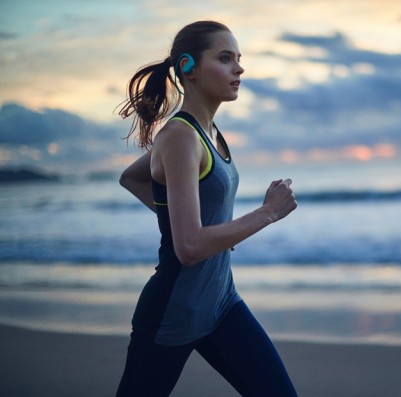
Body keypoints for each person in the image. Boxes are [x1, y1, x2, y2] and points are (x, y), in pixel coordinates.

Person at [115, 20, 298, 396]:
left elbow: (133, 178)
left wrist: (205, 227)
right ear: (188, 68)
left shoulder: (206, 132)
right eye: (225, 58)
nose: (239, 68)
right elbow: (190, 247)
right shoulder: (181, 136)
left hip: (221, 304)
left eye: (239, 59)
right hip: (174, 313)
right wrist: (268, 213)